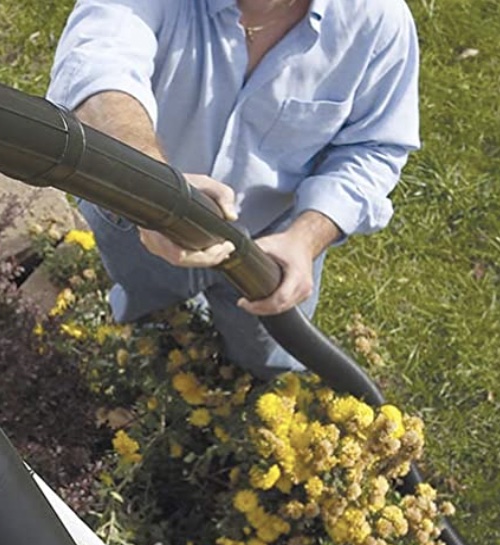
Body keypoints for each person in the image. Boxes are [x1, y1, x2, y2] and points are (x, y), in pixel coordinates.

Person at [45, 0, 420, 377]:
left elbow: (374, 147)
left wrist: (307, 237)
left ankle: (249, 397)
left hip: (274, 239)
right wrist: (153, 192)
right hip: (139, 209)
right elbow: (97, 72)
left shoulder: (377, 21)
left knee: (265, 358)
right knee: (146, 308)